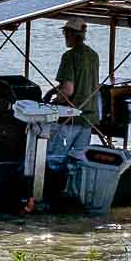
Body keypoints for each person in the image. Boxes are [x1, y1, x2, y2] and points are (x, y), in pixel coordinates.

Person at [45, 20, 101, 163]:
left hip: (71, 118)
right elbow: (83, 82)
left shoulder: (69, 56)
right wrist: (53, 90)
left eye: (65, 33)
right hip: (89, 118)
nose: (65, 36)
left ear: (71, 34)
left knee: (56, 159)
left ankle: (52, 184)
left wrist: (52, 101)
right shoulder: (93, 55)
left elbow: (68, 91)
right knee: (77, 161)